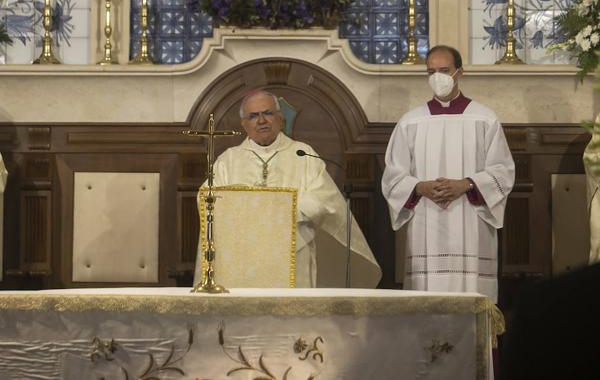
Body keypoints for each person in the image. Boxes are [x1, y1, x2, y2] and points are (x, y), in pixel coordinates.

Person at [194, 88, 381, 288]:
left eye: (267, 113)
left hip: (293, 248)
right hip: (243, 254)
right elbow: (207, 200)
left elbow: (323, 198)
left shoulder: (303, 154)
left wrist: (284, 212)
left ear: (280, 118)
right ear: (244, 124)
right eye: (253, 116)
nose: (261, 120)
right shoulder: (229, 160)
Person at [381, 45, 515, 301]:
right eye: (431, 71)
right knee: (427, 298)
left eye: (444, 70)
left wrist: (466, 183)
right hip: (426, 221)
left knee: (471, 296)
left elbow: (503, 171)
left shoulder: (484, 119)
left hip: (470, 218)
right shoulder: (411, 122)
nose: (437, 77)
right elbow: (392, 176)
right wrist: (420, 187)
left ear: (460, 72)